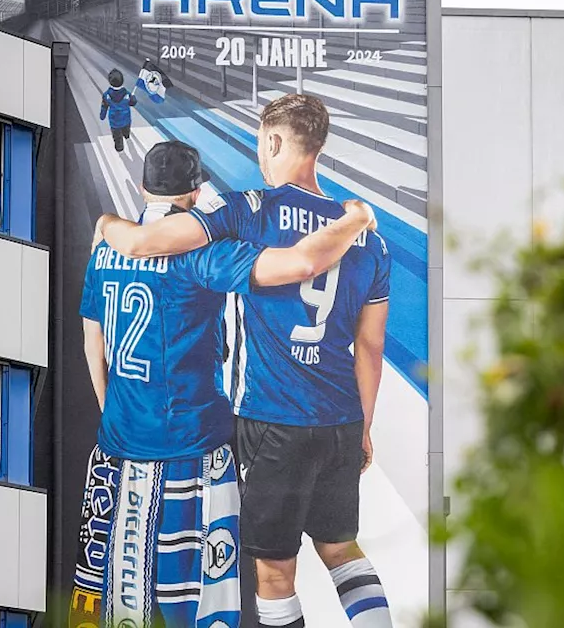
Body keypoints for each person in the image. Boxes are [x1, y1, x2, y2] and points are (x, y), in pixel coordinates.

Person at [97, 94, 394, 628]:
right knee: (342, 549)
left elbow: (146, 242)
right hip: (343, 419)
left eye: (262, 142)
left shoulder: (250, 209)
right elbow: (370, 348)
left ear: (275, 142)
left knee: (276, 574)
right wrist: (365, 428)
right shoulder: (371, 240)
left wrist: (106, 223)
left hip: (273, 418)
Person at [100, 68, 137, 152]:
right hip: (126, 119)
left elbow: (104, 106)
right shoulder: (127, 94)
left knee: (117, 137)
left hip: (114, 122)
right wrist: (133, 98)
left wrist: (102, 116)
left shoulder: (106, 95)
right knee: (126, 129)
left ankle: (119, 148)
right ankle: (126, 136)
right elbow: (133, 103)